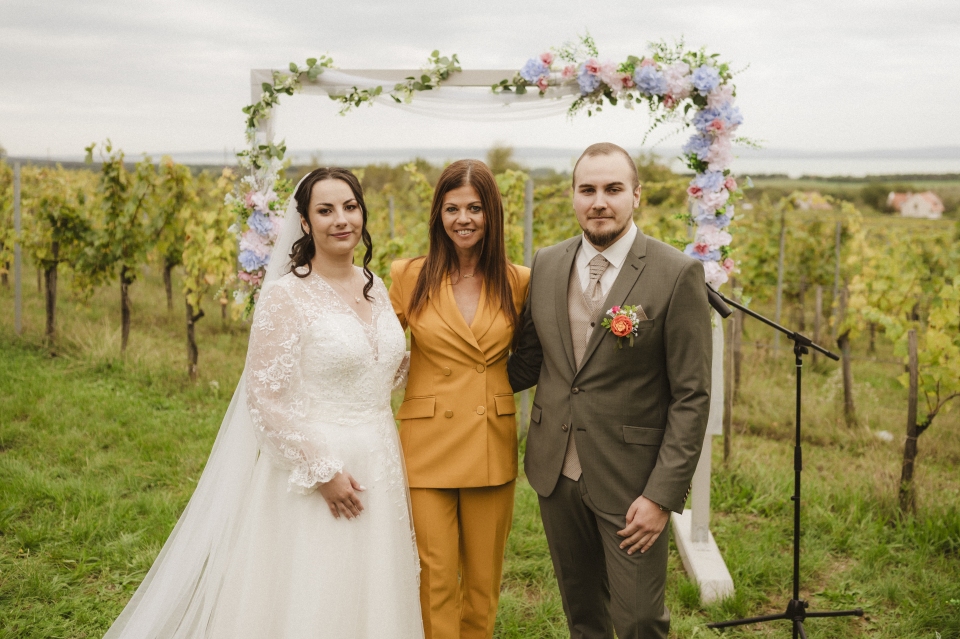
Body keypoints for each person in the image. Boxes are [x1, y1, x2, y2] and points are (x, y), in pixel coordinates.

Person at [103, 167, 423, 639]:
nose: (341, 220)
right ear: (306, 223)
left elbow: (382, 369)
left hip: (381, 456)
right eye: (326, 210)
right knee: (317, 590)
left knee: (375, 593)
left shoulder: (376, 289)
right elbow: (266, 397)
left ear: (363, 213)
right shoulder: (286, 295)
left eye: (350, 207)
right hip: (321, 467)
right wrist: (322, 472)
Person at [508, 143, 712, 639]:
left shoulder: (675, 273)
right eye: (588, 190)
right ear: (573, 197)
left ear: (636, 196)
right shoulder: (548, 263)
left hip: (632, 481)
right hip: (556, 471)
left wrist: (661, 496)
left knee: (641, 620)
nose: (599, 201)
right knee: (584, 616)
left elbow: (692, 396)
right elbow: (531, 361)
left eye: (613, 189)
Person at [388, 159, 529, 639]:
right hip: (427, 444)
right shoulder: (408, 276)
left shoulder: (518, 281)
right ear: (438, 215)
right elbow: (376, 349)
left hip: (489, 440)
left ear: (491, 213)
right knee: (435, 578)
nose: (463, 219)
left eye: (474, 207)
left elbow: (539, 354)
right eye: (452, 208)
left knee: (484, 584)